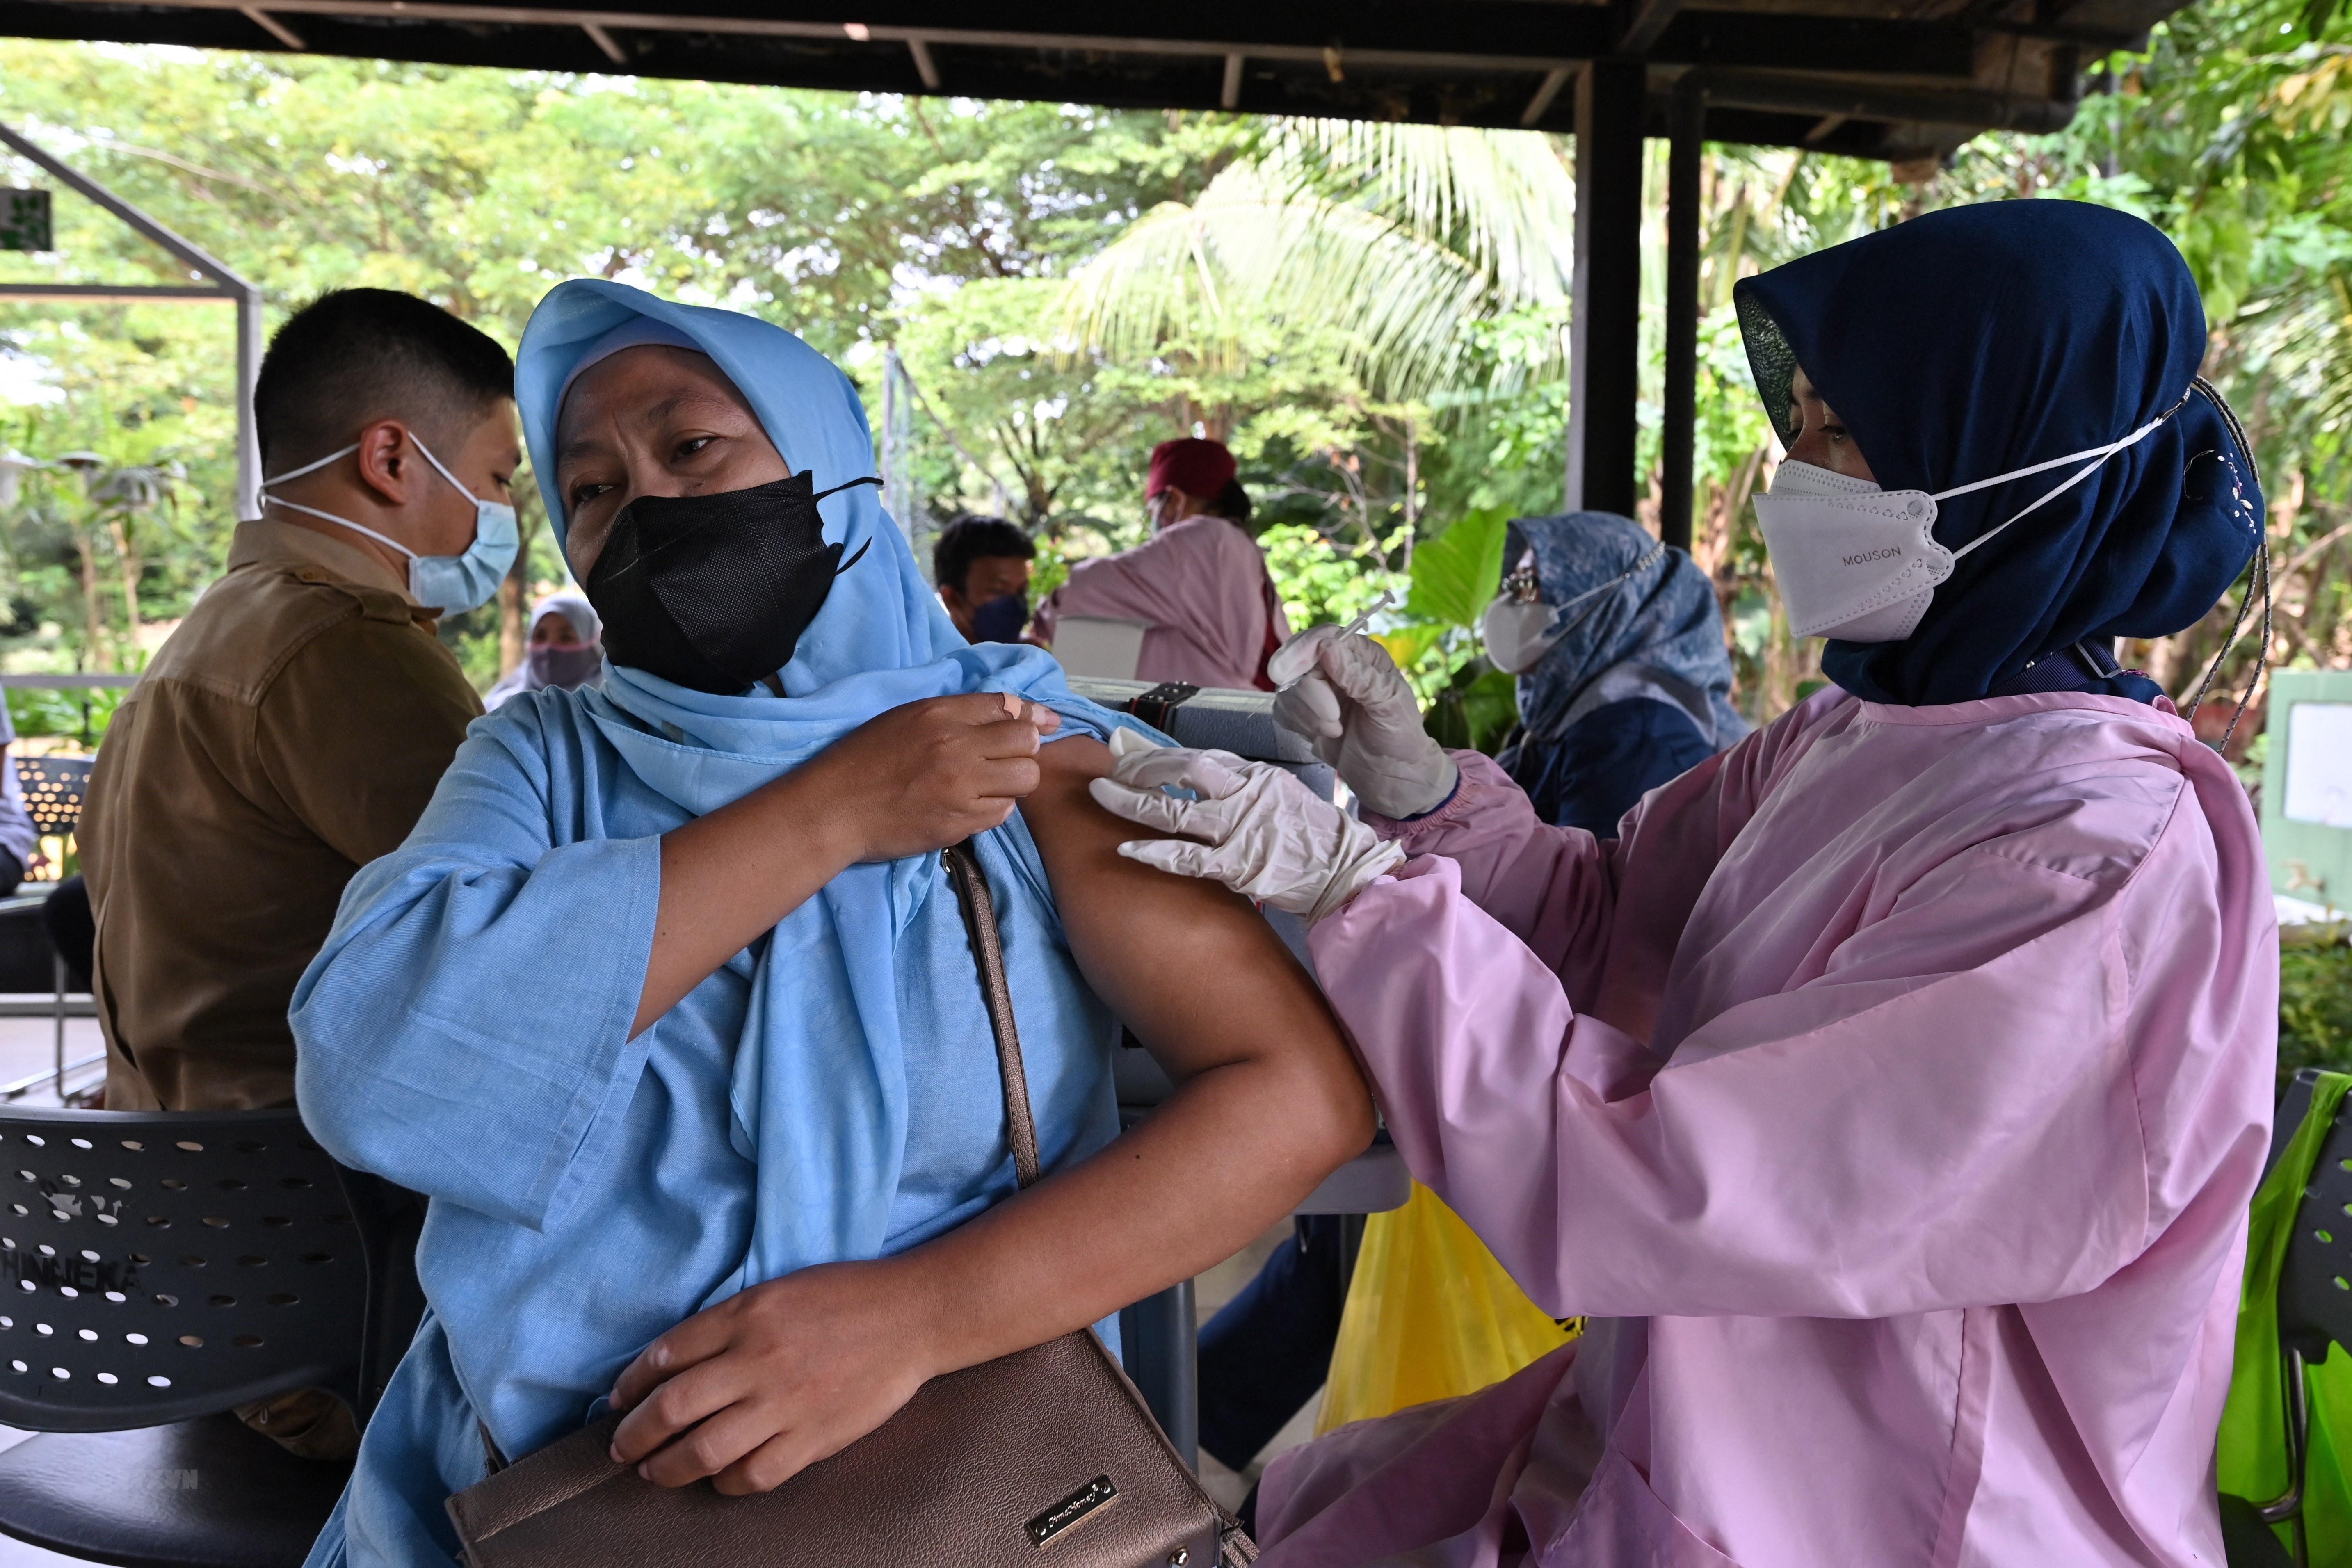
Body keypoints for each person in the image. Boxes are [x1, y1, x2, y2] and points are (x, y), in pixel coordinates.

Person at [1090, 201, 2275, 1567]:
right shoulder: (1856, 738)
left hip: (1904, 1518)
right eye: (1801, 428)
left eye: (1844, 436)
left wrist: (1356, 890)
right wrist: (1419, 796)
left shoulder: (2092, 859)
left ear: (2005, 465)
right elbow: (1613, 919)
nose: (1796, 479)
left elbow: (1676, 1179)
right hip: (1702, 1444)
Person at [290, 283, 1372, 1568]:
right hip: (535, 1496)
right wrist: (834, 811)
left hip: (949, 1484)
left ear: (829, 460)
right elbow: (373, 1066)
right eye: (590, 489)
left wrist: (911, 1319)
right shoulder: (540, 760)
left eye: (692, 449)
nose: (645, 505)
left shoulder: (1025, 756)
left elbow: (1296, 1095)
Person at [1482, 512, 1748, 834]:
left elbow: (1589, 882)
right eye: (1511, 583)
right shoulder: (1561, 714)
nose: (1508, 601)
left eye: (1525, 584)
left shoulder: (1636, 736)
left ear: (1593, 598)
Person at [1031, 437, 1289, 689]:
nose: (1153, 526)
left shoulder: (1201, 539)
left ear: (1174, 500)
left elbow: (1085, 591)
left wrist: (1043, 618)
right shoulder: (1238, 544)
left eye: (1152, 513)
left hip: (1225, 715)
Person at [482, 590, 603, 708]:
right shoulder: (500, 712)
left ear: (596, 646)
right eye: (540, 636)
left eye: (566, 638)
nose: (549, 648)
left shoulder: (613, 713)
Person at [932, 513, 1036, 643]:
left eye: (1021, 591)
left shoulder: (1028, 657)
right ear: (952, 599)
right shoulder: (929, 661)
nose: (1015, 604)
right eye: (999, 591)